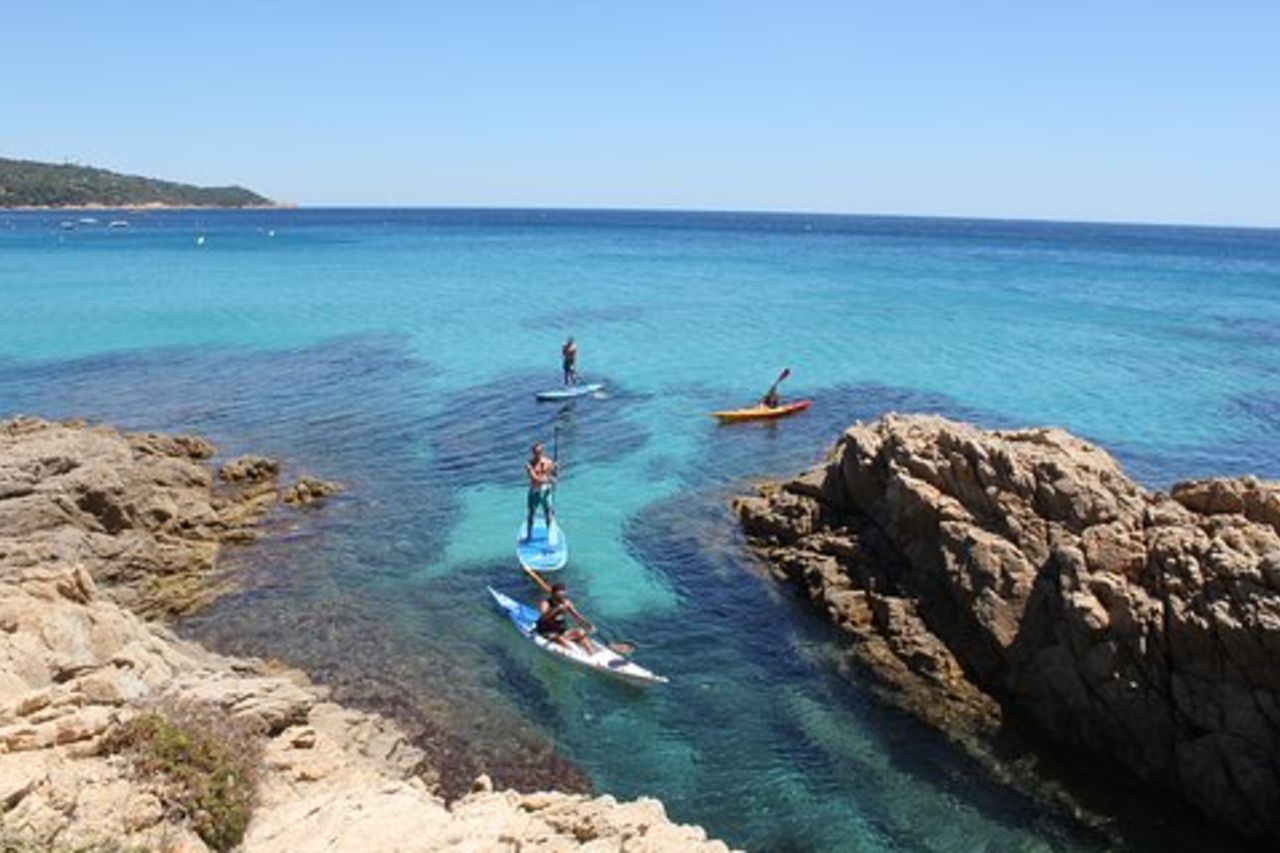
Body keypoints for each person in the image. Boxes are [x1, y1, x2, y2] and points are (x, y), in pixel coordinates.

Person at [535, 582, 596, 653]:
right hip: (547, 631)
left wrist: (588, 624)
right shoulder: (545, 603)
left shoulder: (567, 603)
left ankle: (593, 654)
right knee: (558, 639)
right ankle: (574, 654)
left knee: (580, 632)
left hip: (561, 631)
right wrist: (556, 609)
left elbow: (577, 616)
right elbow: (543, 618)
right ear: (553, 595)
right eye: (558, 597)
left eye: (562, 596)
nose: (561, 599)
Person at [523, 442, 557, 541]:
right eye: (535, 453)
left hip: (546, 491)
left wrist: (556, 469)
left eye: (539, 452)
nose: (537, 455)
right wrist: (549, 480)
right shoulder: (529, 464)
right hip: (534, 492)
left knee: (548, 513)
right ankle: (529, 536)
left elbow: (554, 474)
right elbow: (534, 479)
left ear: (542, 452)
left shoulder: (548, 462)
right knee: (531, 514)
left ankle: (550, 535)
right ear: (533, 453)